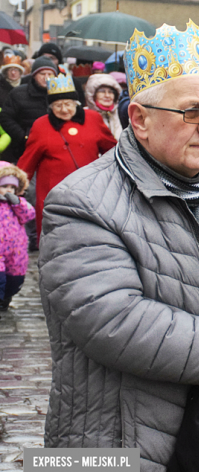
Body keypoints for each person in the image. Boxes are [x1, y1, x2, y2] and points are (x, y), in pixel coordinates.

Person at [37, 20, 199, 472]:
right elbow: (113, 318)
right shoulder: (80, 201)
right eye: (193, 113)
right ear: (139, 118)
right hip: (114, 459)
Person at [17, 74, 117, 242]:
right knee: (56, 239)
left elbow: (112, 150)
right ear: (50, 107)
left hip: (89, 191)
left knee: (89, 237)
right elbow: (28, 160)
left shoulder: (93, 118)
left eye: (68, 104)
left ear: (76, 103)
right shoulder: (41, 125)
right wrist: (15, 184)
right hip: (53, 193)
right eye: (58, 105)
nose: (64, 110)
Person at [0, 57, 58, 163]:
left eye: (50, 74)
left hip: (54, 150)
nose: (46, 78)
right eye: (42, 74)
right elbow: (5, 118)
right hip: (23, 151)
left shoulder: (60, 94)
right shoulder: (18, 93)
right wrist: (23, 136)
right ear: (34, 75)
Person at [0, 162, 35, 311]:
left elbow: (30, 214)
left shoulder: (18, 204)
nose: (9, 190)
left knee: (14, 281)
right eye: (5, 186)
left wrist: (18, 203)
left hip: (16, 253)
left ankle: (6, 298)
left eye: (12, 187)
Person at [84, 73, 124, 139]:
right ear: (92, 94)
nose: (107, 95)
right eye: (102, 91)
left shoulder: (121, 113)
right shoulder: (85, 115)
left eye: (111, 92)